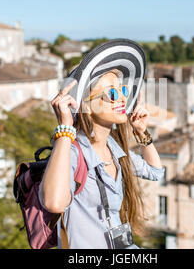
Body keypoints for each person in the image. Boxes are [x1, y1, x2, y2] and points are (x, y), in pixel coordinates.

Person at [39, 65, 164, 249]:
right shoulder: (74, 152)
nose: (122, 98)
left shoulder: (113, 149)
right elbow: (54, 203)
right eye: (112, 93)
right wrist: (65, 127)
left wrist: (141, 132)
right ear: (87, 106)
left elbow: (155, 172)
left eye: (122, 90)